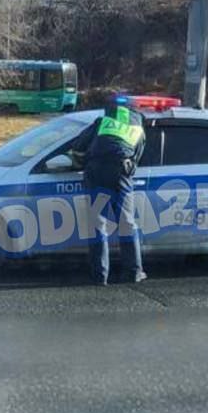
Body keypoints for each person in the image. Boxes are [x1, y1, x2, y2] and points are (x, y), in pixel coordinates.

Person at [71, 93, 148, 285]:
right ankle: (134, 272)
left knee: (98, 224)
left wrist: (81, 161)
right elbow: (137, 159)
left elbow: (78, 147)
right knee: (127, 223)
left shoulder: (102, 122)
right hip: (121, 173)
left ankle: (100, 276)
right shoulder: (138, 129)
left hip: (96, 173)